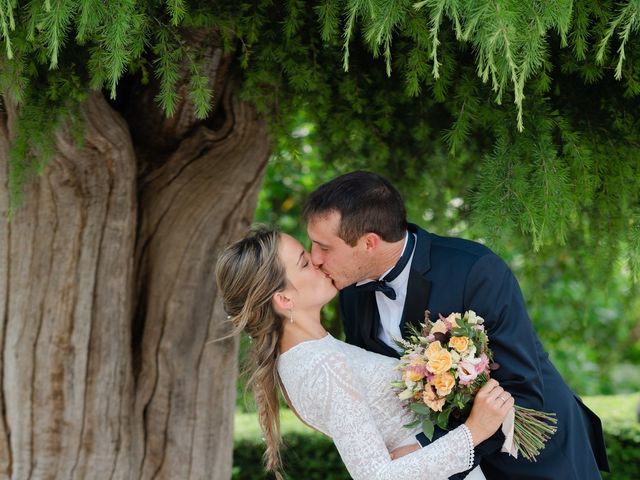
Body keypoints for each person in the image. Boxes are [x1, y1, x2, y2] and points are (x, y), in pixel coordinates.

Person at [303, 170, 609, 480]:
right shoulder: (352, 296)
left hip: (536, 457)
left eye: (324, 247)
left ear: (369, 242)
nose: (315, 258)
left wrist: (427, 448)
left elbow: (522, 390)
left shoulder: (476, 272)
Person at [215, 226, 514, 480]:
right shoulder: (322, 364)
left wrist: (423, 444)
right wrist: (474, 431)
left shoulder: (305, 357)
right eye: (304, 263)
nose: (318, 262)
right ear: (283, 298)